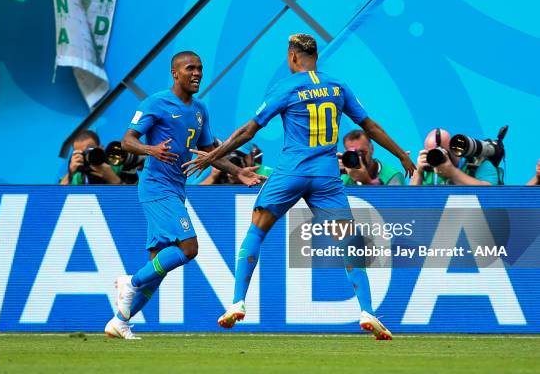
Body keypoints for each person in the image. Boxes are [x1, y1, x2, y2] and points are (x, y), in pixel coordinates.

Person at [183, 34, 415, 340]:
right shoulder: (338, 87)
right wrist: (400, 155)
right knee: (347, 241)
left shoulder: (287, 87)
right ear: (315, 56)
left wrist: (213, 156)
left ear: (293, 57)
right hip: (326, 177)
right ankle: (367, 310)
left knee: (257, 230)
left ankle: (238, 302)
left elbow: (248, 130)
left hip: (291, 172)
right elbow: (370, 127)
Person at [103, 51, 266, 339]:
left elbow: (206, 153)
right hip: (156, 187)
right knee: (189, 248)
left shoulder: (200, 109)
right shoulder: (155, 103)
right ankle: (130, 282)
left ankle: (120, 321)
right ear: (175, 73)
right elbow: (127, 141)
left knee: (159, 265)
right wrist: (150, 150)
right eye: (190, 68)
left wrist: (238, 172)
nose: (197, 73)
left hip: (176, 189)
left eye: (200, 69)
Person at [410, 128, 500, 186]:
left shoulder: (478, 163)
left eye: (442, 152)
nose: (436, 157)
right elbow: (409, 202)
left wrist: (453, 173)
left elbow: (489, 194)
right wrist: (418, 173)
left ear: (454, 148)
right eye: (431, 153)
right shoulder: (427, 168)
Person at [339, 130, 405, 185]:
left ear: (372, 149)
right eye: (351, 153)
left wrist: (366, 181)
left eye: (361, 152)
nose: (357, 158)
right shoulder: (344, 178)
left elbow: (390, 200)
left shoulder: (392, 176)